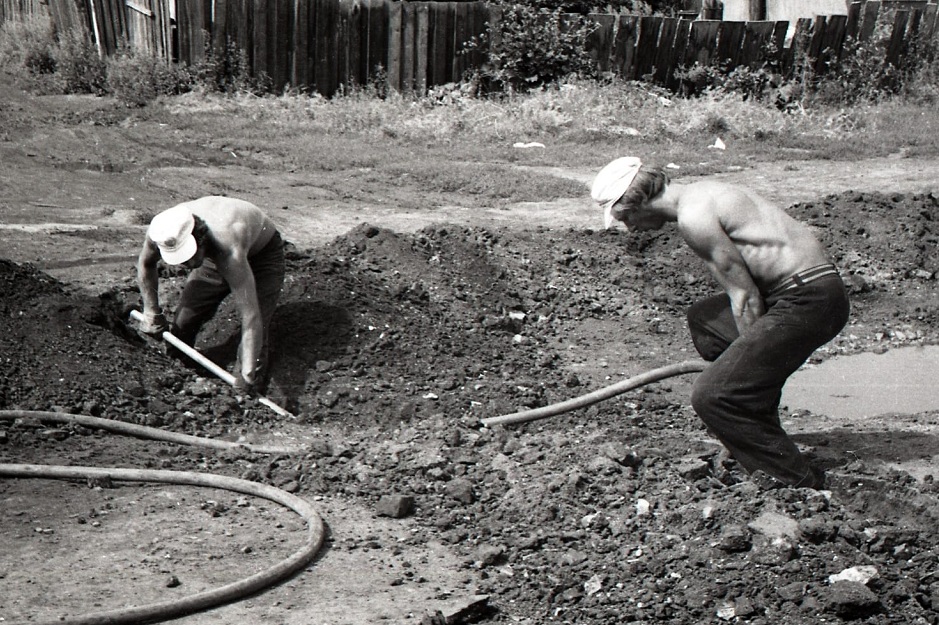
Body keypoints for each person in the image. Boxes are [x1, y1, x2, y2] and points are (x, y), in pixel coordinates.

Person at [591, 157, 849, 489]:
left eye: (624, 217)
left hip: (809, 300)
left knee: (712, 396)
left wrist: (746, 358)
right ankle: (753, 416)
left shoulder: (694, 218)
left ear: (635, 201)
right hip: (811, 291)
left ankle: (797, 483)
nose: (629, 227)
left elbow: (745, 298)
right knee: (705, 322)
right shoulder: (702, 192)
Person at [136, 196, 285, 394]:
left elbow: (251, 317)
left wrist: (247, 376)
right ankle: (179, 370)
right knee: (185, 320)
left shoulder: (227, 246)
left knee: (258, 327)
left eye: (189, 257)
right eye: (182, 260)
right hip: (214, 252)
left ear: (201, 240)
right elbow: (146, 264)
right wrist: (151, 311)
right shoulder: (162, 232)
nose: (188, 266)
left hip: (263, 254)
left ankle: (250, 392)